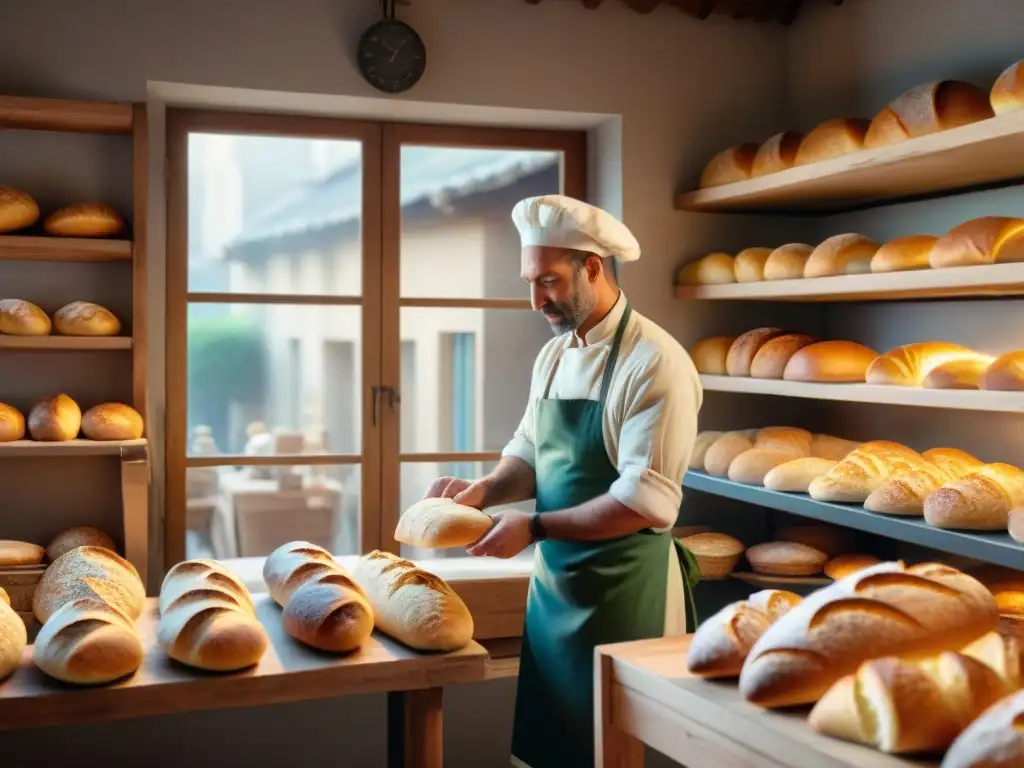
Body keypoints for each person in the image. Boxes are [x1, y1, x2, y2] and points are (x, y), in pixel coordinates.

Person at [421, 194, 702, 768]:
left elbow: (642, 502)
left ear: (593, 268)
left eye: (547, 281)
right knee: (550, 751)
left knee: (615, 753)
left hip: (629, 598)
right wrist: (485, 491)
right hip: (555, 594)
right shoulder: (552, 357)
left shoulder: (654, 362)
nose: (534, 300)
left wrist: (534, 526)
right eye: (530, 280)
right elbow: (528, 452)